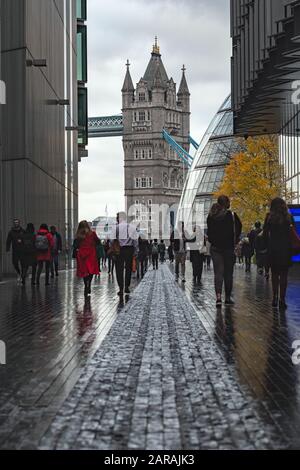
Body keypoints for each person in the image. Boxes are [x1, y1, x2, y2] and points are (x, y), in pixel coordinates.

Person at [207, 195, 242, 307]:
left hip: (215, 248)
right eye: (229, 201)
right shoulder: (231, 215)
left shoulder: (211, 216)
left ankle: (218, 298)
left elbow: (209, 233)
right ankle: (227, 297)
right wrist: (235, 240)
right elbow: (238, 228)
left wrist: (214, 240)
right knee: (228, 273)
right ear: (226, 203)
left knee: (218, 273)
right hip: (228, 248)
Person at [263, 198, 294, 309]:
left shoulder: (269, 217)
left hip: (273, 249)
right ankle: (282, 299)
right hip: (285, 249)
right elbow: (292, 233)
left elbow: (265, 233)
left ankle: (274, 298)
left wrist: (266, 246)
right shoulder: (288, 217)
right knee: (284, 275)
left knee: (274, 274)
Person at [74, 220, 100, 297]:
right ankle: (89, 284)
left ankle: (86, 284)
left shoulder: (79, 235)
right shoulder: (92, 234)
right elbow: (98, 242)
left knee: (84, 271)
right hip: (91, 253)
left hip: (82, 254)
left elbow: (76, 245)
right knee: (91, 270)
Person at [114, 212, 138, 296]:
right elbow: (135, 240)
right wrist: (135, 251)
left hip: (119, 250)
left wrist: (113, 248)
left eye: (117, 217)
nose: (116, 219)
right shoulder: (131, 227)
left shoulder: (116, 227)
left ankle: (121, 288)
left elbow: (111, 240)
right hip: (129, 249)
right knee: (128, 269)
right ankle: (127, 287)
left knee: (119, 269)